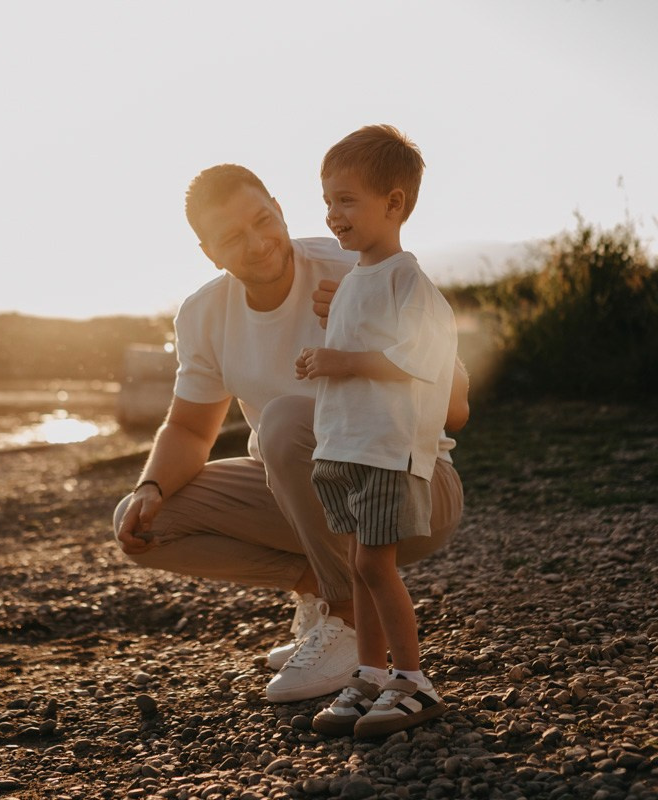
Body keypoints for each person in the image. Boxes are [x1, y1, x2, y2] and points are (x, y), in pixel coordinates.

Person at [112, 162, 468, 706]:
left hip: (411, 489)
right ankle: (325, 592)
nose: (257, 244)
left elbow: (456, 407)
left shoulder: (360, 266)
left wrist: (368, 326)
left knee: (282, 422)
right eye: (232, 237)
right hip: (311, 495)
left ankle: (347, 617)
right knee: (145, 522)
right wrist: (150, 487)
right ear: (209, 252)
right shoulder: (204, 314)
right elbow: (188, 428)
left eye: (262, 220)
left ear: (279, 210)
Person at [296, 124, 456, 738]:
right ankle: (367, 673)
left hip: (386, 450)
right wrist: (321, 363)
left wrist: (340, 361)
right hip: (344, 445)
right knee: (357, 565)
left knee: (375, 564)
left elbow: (418, 360)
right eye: (327, 201)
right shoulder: (354, 281)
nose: (332, 214)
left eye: (346, 200)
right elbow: (352, 353)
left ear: (394, 203)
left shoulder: (406, 280)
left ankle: (413, 680)